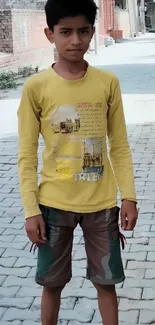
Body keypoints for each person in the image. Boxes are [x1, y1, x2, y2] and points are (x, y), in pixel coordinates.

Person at [17, 0, 138, 324]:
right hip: (53, 205)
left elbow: (120, 146)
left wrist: (128, 196)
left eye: (83, 31)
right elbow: (26, 154)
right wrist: (31, 210)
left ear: (92, 33)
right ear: (49, 34)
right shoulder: (36, 88)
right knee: (52, 283)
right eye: (66, 32)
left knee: (107, 281)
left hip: (102, 204)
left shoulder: (106, 83)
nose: (75, 40)